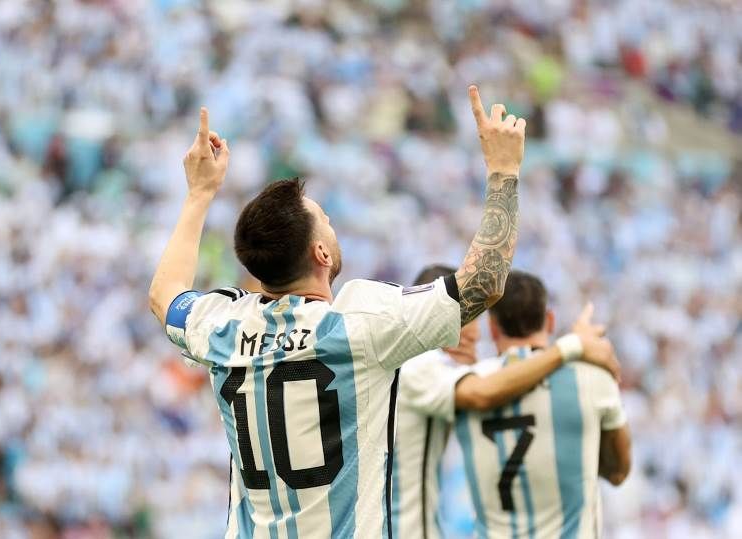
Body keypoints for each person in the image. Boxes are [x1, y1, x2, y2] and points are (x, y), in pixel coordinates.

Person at [147, 85, 526, 538]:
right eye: (325, 219)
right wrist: (504, 171)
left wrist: (199, 194)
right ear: (322, 254)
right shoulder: (358, 323)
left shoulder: (222, 326)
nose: (331, 224)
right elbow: (484, 283)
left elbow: (164, 294)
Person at [391, 265, 620, 539]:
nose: (472, 334)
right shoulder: (417, 366)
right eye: (464, 317)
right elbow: (482, 393)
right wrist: (571, 347)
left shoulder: (414, 365)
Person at [455, 270, 631, 538]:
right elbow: (618, 472)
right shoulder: (591, 378)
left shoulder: (468, 383)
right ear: (550, 320)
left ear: (492, 328)